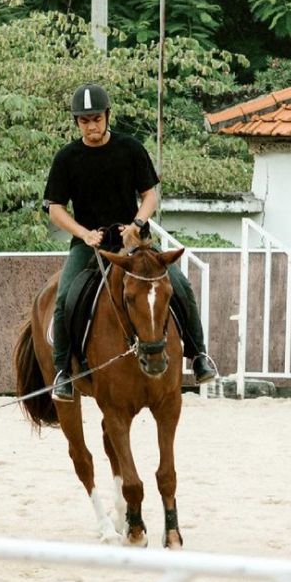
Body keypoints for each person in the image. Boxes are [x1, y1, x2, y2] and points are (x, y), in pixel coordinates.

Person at [42, 82, 218, 401]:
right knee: (65, 296)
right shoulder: (66, 158)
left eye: (96, 118)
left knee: (179, 285)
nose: (92, 125)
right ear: (76, 123)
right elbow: (55, 208)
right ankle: (63, 373)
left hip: (137, 244)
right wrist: (83, 233)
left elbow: (150, 194)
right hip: (91, 244)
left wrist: (137, 223)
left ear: (108, 116)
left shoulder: (131, 149)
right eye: (85, 120)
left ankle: (199, 355)